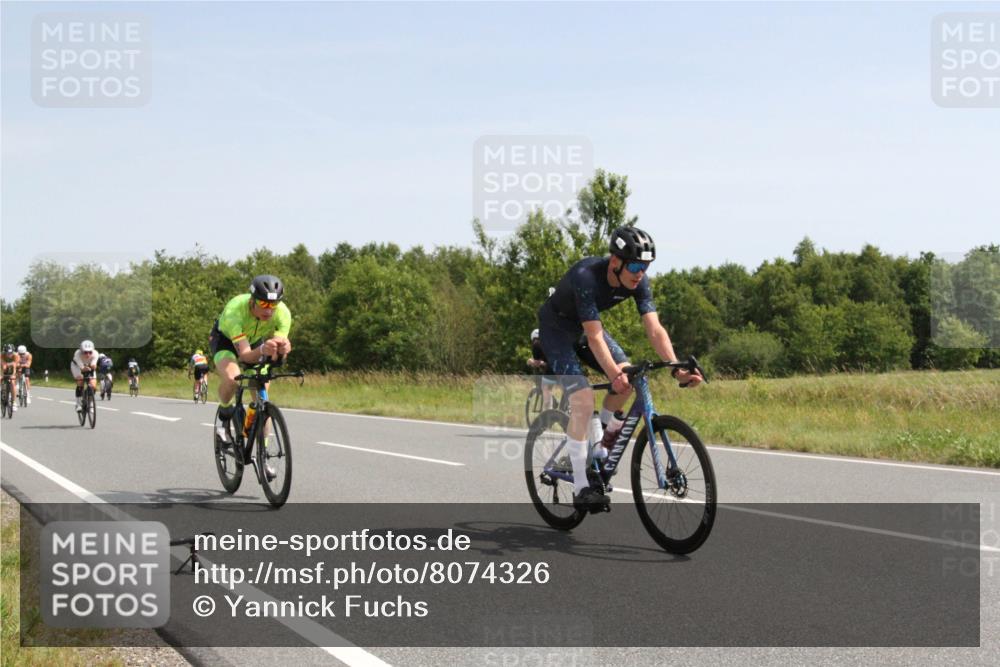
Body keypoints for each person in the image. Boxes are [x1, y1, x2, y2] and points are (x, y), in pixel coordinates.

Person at [536, 226, 702, 510]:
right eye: (635, 266)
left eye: (646, 266)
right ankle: (581, 487)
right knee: (583, 398)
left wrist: (677, 369)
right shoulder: (586, 276)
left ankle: (598, 445)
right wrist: (614, 374)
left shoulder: (640, 282)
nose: (640, 273)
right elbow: (595, 336)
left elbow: (654, 329)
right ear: (615, 261)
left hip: (585, 329)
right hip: (556, 329)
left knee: (630, 380)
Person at [209, 275, 292, 460]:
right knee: (233, 379)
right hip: (225, 341)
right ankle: (224, 416)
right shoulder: (234, 311)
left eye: (273, 305)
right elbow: (245, 355)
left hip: (254, 341)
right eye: (264, 304)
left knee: (262, 392)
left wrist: (282, 350)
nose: (269, 310)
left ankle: (263, 453)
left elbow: (277, 354)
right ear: (252, 301)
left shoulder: (283, 313)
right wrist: (263, 349)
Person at [526, 329, 557, 410]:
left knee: (546, 387)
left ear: (533, 338)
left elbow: (537, 363)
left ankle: (549, 412)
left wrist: (530, 361)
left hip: (552, 368)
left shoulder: (536, 344)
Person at [71, 340, 100, 412]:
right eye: (85, 352)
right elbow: (82, 368)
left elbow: (93, 365)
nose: (88, 354)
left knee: (93, 385)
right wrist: (86, 369)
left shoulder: (96, 353)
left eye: (90, 352)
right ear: (81, 351)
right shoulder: (77, 354)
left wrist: (93, 367)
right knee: (80, 381)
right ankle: (78, 404)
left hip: (88, 366)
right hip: (77, 366)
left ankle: (90, 402)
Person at [1, 344, 19, 411]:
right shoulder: (2, 355)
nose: (9, 354)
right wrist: (1, 375)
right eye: (7, 353)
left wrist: (13, 375)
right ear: (4, 352)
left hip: (12, 369)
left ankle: (14, 403)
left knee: (12, 382)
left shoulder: (16, 355)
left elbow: (14, 367)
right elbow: (3, 366)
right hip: (3, 369)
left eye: (11, 353)